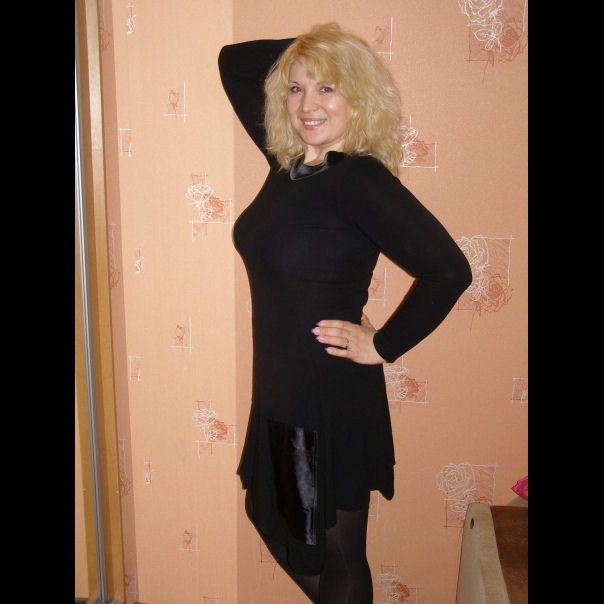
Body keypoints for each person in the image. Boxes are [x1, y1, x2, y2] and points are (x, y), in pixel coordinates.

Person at [218, 23, 472, 603]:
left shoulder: (359, 178)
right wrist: (311, 56)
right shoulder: (287, 165)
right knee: (274, 516)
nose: (308, 104)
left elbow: (450, 271)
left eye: (328, 88)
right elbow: (235, 62)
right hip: (280, 389)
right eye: (297, 88)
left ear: (359, 97)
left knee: (337, 550)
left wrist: (382, 345)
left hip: (326, 394)